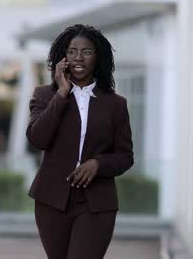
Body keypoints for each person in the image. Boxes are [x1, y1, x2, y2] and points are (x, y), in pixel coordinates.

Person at [26, 24, 134, 259]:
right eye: (72, 51)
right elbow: (38, 139)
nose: (78, 57)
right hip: (52, 200)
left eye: (87, 52)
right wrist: (62, 92)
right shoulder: (45, 95)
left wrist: (98, 164)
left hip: (96, 203)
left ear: (98, 57)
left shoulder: (115, 104)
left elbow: (126, 156)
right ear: (62, 57)